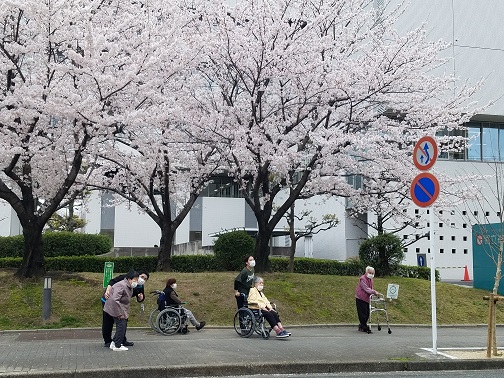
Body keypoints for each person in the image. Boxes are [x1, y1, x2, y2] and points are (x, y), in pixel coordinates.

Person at [101, 271, 150, 347]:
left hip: (122, 304)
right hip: (109, 299)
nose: (142, 279)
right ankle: (108, 341)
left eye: (145, 279)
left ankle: (121, 340)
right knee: (108, 321)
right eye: (142, 277)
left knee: (123, 322)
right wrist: (107, 290)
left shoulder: (140, 286)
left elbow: (140, 297)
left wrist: (140, 298)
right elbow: (112, 281)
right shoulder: (126, 278)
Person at [355, 266, 381, 334]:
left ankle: (362, 325)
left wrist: (373, 293)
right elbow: (366, 289)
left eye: (372, 273)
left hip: (367, 298)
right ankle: (364, 327)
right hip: (360, 298)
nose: (371, 274)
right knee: (362, 314)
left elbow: (371, 287)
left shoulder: (371, 279)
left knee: (367, 313)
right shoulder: (362, 279)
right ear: (366, 272)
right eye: (370, 273)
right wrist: (374, 292)